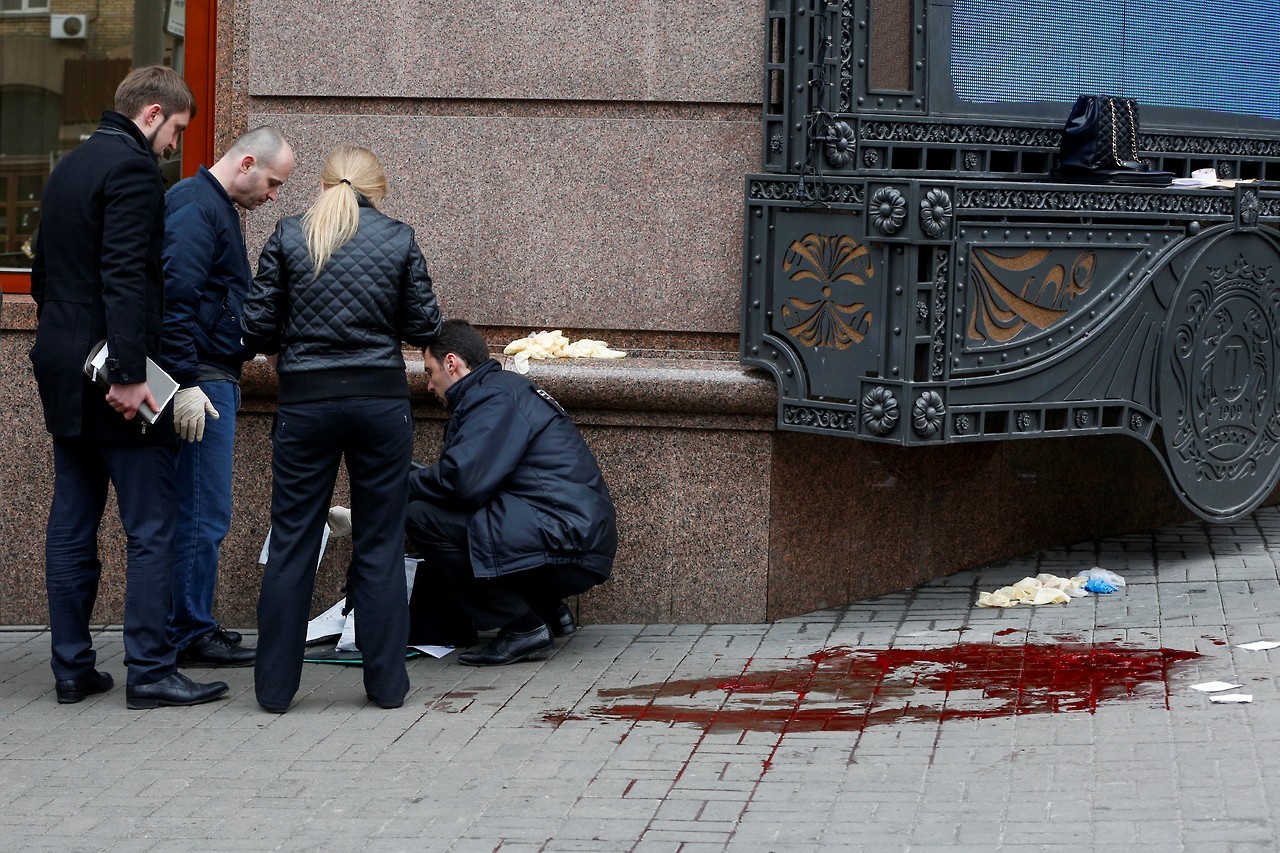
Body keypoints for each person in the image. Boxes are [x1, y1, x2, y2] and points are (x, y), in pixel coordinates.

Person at [28, 65, 228, 709]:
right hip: (116, 372)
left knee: (72, 522)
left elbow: (42, 278)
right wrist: (130, 376)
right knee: (152, 525)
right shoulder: (135, 170)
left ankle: (71, 668)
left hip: (61, 363)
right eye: (174, 130)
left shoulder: (68, 168)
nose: (173, 146)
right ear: (151, 114)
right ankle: (149, 670)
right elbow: (127, 278)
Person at [242, 143, 443, 713]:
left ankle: (275, 692)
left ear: (324, 185)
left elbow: (257, 327)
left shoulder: (288, 234)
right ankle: (386, 688)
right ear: (376, 191)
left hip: (305, 404)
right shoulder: (399, 238)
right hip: (380, 404)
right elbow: (424, 322)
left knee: (293, 544)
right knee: (379, 544)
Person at [405, 319, 617, 666]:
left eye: (429, 371)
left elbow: (463, 483)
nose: (428, 385)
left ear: (452, 363)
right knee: (467, 520)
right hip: (572, 532)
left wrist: (397, 484)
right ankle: (548, 612)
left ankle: (524, 628)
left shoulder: (493, 397)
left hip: (566, 537)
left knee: (421, 519)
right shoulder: (499, 390)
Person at [161, 126, 296, 668]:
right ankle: (188, 631)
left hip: (208, 373)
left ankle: (187, 624)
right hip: (203, 380)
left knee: (198, 510)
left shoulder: (206, 205)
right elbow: (176, 298)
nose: (273, 196)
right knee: (202, 510)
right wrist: (188, 380)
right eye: (272, 182)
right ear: (246, 163)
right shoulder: (198, 208)